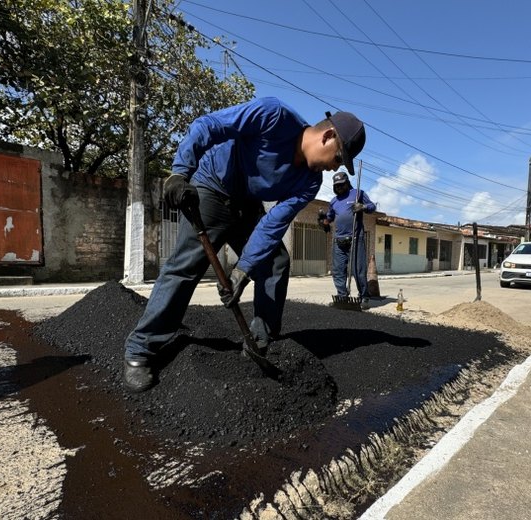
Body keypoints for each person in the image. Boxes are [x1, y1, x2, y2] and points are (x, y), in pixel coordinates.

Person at [123, 97, 366, 392]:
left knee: (275, 262)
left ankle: (261, 342)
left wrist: (243, 270)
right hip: (213, 186)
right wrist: (180, 171)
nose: (333, 169)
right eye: (338, 159)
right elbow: (209, 126)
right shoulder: (274, 115)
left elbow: (272, 224)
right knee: (186, 267)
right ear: (328, 137)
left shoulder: (309, 182)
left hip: (247, 205)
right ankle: (140, 351)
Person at [319, 171, 376, 309]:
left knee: (358, 270)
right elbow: (330, 218)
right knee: (338, 270)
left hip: (356, 237)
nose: (339, 187)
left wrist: (362, 207)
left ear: (347, 183)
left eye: (341, 185)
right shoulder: (333, 201)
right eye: (336, 186)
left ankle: (364, 297)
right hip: (338, 239)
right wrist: (323, 221)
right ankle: (342, 296)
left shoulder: (357, 194)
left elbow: (372, 207)